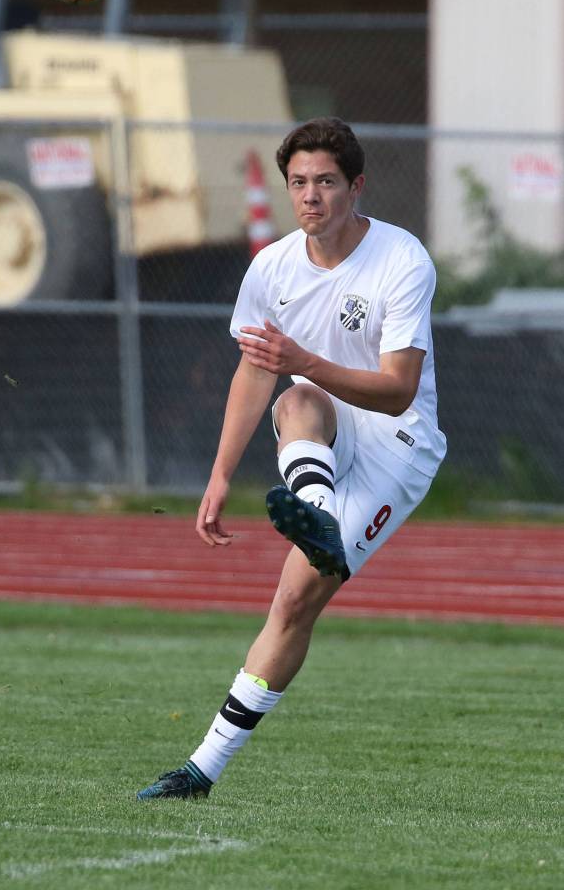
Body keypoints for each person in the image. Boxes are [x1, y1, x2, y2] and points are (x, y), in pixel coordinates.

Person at [136, 116, 446, 801]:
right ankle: (199, 773)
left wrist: (302, 360)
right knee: (292, 405)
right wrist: (218, 476)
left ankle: (319, 516)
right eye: (298, 183)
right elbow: (255, 374)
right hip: (322, 424)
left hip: (398, 444)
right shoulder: (271, 267)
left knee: (297, 595)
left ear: (355, 187)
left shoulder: (401, 259)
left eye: (326, 182)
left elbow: (396, 393)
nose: (310, 196)